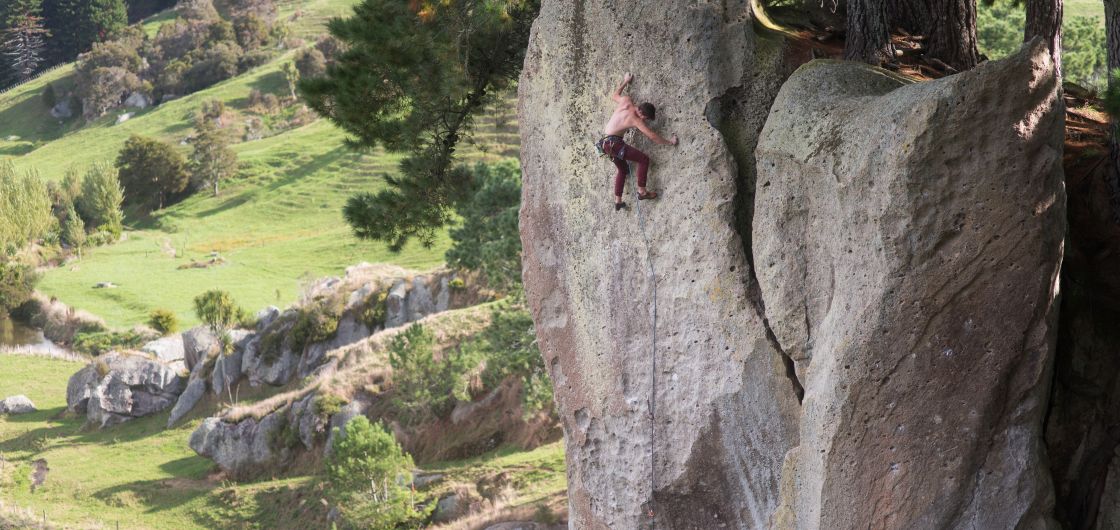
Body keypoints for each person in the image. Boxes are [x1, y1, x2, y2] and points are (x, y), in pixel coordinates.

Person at [595, 72, 679, 212]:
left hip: (605, 144)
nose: (643, 121)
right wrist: (670, 142)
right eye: (645, 118)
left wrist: (625, 81)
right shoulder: (636, 119)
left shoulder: (626, 101)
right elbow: (652, 136)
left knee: (623, 170)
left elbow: (614, 95)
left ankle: (618, 201)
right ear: (641, 113)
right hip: (615, 144)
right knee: (644, 159)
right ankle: (642, 191)